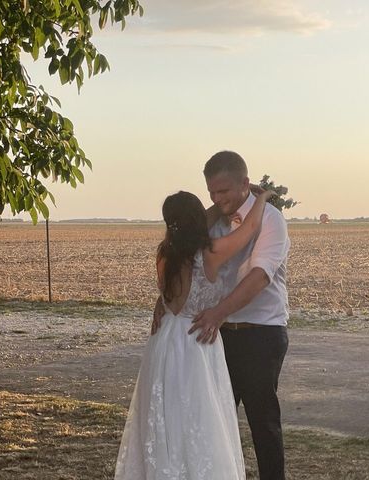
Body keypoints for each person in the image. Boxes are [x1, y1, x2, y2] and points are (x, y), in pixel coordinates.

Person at [114, 187, 275, 480]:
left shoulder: (165, 253)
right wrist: (262, 198)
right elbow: (250, 228)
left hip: (164, 341)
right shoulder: (210, 254)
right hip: (195, 343)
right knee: (199, 418)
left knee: (166, 417)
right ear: (198, 219)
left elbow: (167, 292)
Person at [154, 151, 291, 480]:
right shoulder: (209, 223)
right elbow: (184, 251)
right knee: (213, 419)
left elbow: (259, 276)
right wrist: (164, 304)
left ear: (245, 183)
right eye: (211, 193)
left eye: (224, 191)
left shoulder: (271, 220)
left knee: (263, 421)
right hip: (214, 336)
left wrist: (217, 312)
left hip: (260, 332)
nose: (217, 199)